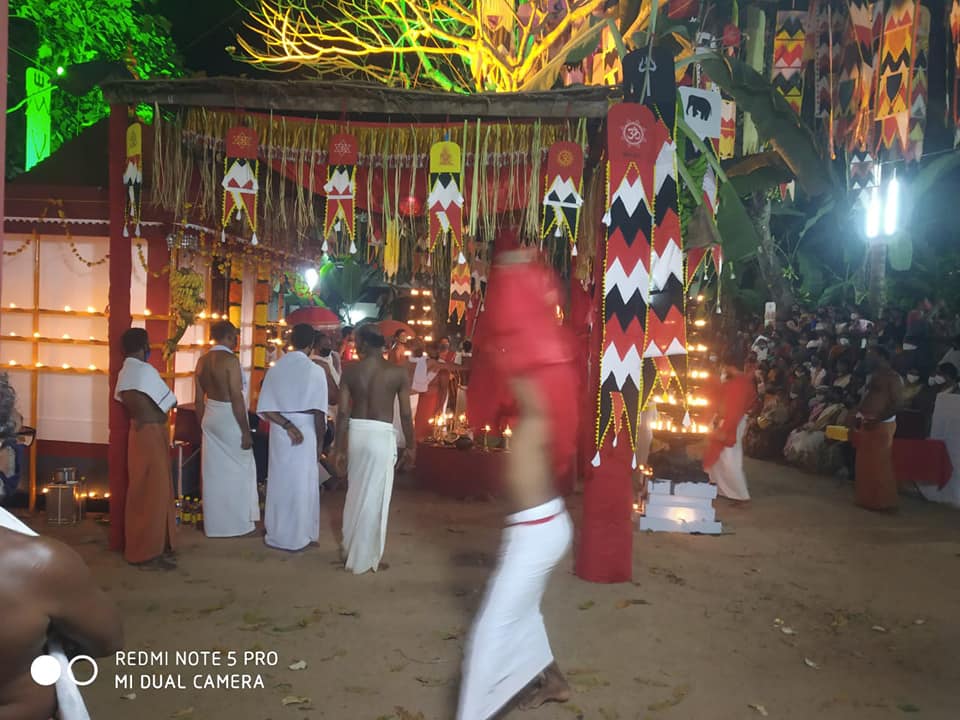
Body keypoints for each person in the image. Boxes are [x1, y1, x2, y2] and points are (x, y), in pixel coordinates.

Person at [457, 249, 576, 719]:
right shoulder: (538, 364)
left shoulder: (545, 358)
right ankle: (554, 681)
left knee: (490, 633)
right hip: (534, 523)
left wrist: (517, 273)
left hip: (540, 528)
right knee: (524, 616)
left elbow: (512, 323)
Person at [331, 326, 414, 574]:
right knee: (376, 496)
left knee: (356, 491)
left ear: (366, 345)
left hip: (357, 432)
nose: (355, 347)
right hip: (380, 435)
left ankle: (351, 548)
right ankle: (365, 556)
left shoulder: (351, 371)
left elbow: (343, 413)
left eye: (357, 343)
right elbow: (407, 415)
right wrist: (411, 445)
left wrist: (338, 447)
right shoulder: (397, 372)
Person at [256, 323, 328, 552]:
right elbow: (319, 413)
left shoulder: (275, 368)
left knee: (279, 481)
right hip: (305, 430)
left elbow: (265, 408)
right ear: (311, 345)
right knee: (303, 483)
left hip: (280, 430)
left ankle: (278, 532)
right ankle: (301, 534)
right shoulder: (316, 370)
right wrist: (319, 442)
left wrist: (286, 424)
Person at [114, 328, 177, 568]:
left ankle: (147, 546)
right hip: (152, 432)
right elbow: (170, 401)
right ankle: (149, 551)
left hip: (137, 432)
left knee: (141, 489)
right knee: (155, 492)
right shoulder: (144, 370)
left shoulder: (124, 371)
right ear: (143, 346)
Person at [194, 320, 260, 539]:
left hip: (210, 415)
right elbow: (236, 397)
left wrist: (201, 423)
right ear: (230, 336)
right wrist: (245, 430)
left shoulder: (202, 361)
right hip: (229, 416)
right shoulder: (230, 360)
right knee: (242, 469)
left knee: (213, 473)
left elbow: (198, 400)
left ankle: (215, 525)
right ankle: (238, 523)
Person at [854, 346, 904, 511]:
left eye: (871, 355)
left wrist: (878, 419)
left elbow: (897, 403)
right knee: (865, 462)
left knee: (880, 463)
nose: (868, 357)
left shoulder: (894, 377)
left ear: (882, 357)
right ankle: (868, 500)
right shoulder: (873, 375)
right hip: (867, 421)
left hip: (882, 423)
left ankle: (885, 502)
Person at [702, 353, 756, 503]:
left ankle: (741, 495)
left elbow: (734, 409)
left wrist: (726, 429)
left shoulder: (738, 384)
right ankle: (720, 488)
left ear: (730, 367)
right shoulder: (741, 382)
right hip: (730, 420)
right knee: (721, 458)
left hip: (733, 422)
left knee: (730, 458)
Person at [310, 332, 342, 453]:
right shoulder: (320, 364)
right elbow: (333, 396)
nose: (329, 347)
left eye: (329, 344)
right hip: (326, 412)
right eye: (325, 345)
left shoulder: (327, 361)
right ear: (316, 346)